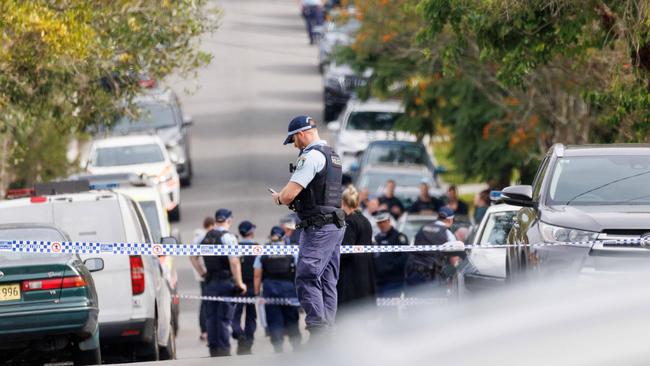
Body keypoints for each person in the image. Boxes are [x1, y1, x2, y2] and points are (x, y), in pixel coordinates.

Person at [271, 115, 345, 335]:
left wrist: (278, 198)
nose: (294, 144)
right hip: (334, 225)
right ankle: (328, 329)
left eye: (293, 139)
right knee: (328, 279)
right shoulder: (333, 155)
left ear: (301, 133)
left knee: (307, 275)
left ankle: (318, 330)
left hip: (318, 228)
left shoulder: (311, 156)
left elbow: (289, 195)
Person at [200, 208, 247, 357]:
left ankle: (214, 350)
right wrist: (239, 283)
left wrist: (202, 272)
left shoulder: (206, 237)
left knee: (211, 317)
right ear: (229, 221)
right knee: (223, 318)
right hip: (225, 282)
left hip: (210, 282)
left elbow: (192, 256)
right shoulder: (228, 238)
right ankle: (224, 353)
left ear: (215, 220)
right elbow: (234, 262)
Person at [254, 226, 302, 353]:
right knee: (292, 319)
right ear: (284, 236)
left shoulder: (263, 251)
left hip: (270, 290)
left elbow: (257, 275)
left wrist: (256, 293)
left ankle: (278, 349)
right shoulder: (291, 250)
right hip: (289, 290)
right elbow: (299, 272)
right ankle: (297, 348)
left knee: (274, 321)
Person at [404, 207, 460, 297]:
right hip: (431, 277)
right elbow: (454, 261)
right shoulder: (448, 234)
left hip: (413, 273)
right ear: (450, 220)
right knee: (431, 308)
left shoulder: (423, 228)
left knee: (413, 306)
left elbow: (412, 248)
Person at [337, 185, 376, 310]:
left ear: (343, 202)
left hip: (350, 279)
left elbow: (346, 251)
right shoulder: (365, 220)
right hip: (365, 276)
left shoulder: (349, 222)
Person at [231, 220, 258, 355]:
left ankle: (239, 334)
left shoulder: (235, 247)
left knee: (235, 314)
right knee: (251, 315)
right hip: (252, 285)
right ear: (251, 233)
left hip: (238, 286)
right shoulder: (257, 247)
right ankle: (248, 341)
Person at [190, 216, 214, 342]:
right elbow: (194, 257)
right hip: (206, 275)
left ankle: (205, 330)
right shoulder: (204, 237)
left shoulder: (198, 237)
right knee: (206, 302)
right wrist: (203, 273)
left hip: (202, 275)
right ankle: (205, 330)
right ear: (211, 225)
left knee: (205, 301)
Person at [373, 210, 409, 296]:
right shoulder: (377, 238)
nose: (381, 225)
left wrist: (388, 267)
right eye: (379, 222)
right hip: (378, 280)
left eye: (383, 222)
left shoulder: (399, 237)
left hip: (394, 280)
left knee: (390, 307)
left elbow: (404, 257)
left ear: (389, 221)